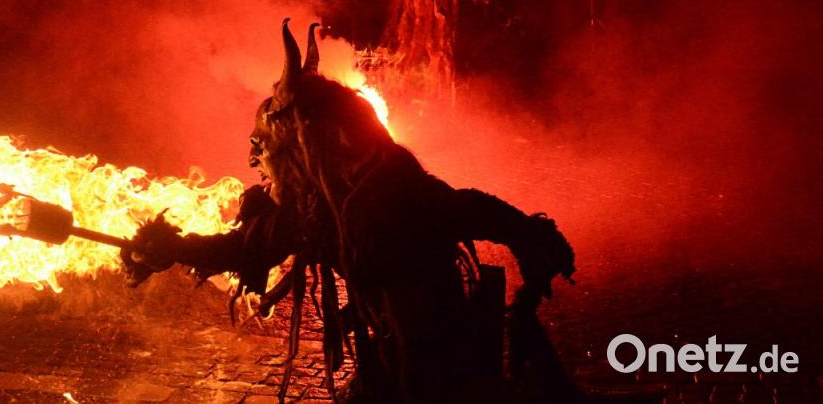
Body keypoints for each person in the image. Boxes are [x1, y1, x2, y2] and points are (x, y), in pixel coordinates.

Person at [121, 20, 577, 403]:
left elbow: (247, 247)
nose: (255, 160)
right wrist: (528, 233)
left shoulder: (358, 203)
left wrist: (529, 234)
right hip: (401, 364)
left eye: (264, 145)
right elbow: (248, 245)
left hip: (434, 378)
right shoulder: (352, 194)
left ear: (300, 142)